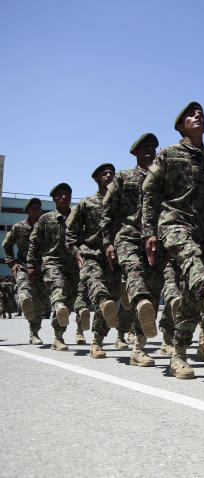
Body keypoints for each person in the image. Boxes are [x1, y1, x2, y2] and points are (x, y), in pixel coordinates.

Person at [143, 101, 204, 380]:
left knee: (189, 297)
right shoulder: (168, 155)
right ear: (180, 125)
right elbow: (149, 194)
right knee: (192, 260)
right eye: (191, 115)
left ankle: (178, 354)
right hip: (175, 224)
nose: (198, 116)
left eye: (201, 114)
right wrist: (149, 232)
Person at [102, 133, 179, 355]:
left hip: (156, 241)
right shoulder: (123, 178)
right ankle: (133, 291)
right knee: (136, 274)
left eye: (152, 148)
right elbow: (108, 212)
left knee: (153, 293)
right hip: (128, 236)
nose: (149, 151)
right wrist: (108, 242)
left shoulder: (162, 180)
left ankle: (139, 347)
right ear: (135, 152)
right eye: (144, 147)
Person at [66, 163, 131, 360]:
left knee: (111, 301)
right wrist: (75, 251)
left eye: (111, 172)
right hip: (91, 254)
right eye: (104, 173)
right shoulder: (86, 204)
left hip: (115, 258)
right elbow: (70, 233)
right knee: (97, 287)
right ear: (96, 178)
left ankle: (97, 341)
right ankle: (100, 309)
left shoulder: (121, 205)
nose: (109, 174)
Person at [27, 183, 78, 351]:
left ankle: (58, 337)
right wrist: (31, 266)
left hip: (72, 265)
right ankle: (58, 306)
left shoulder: (77, 216)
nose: (65, 197)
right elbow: (34, 244)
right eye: (61, 195)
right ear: (55, 199)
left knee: (68, 301)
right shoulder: (45, 219)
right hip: (51, 261)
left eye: (67, 194)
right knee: (59, 289)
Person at [3, 197, 50, 344]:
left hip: (42, 268)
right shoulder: (18, 227)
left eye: (38, 207)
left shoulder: (46, 227)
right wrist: (12, 264)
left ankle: (33, 333)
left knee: (39, 303)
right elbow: (7, 245)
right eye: (33, 207)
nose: (36, 210)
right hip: (23, 265)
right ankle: (23, 301)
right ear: (27, 210)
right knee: (24, 289)